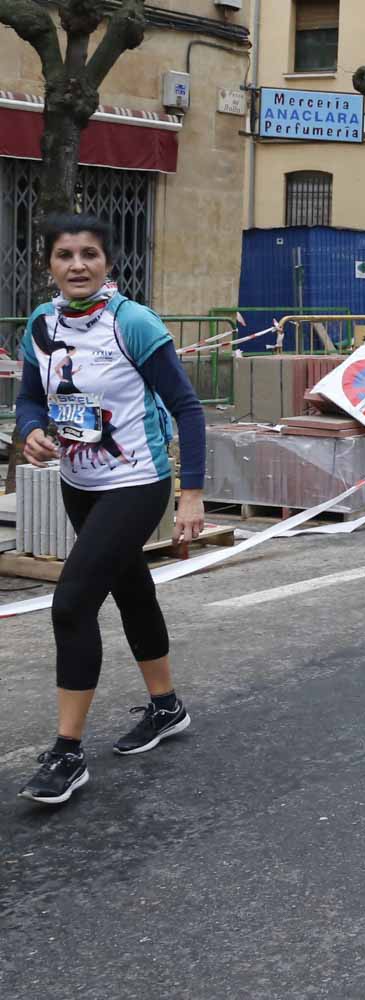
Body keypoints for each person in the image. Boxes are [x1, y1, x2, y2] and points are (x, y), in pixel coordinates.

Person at [15, 213, 207, 805]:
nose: (78, 265)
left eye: (90, 254)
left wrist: (191, 494)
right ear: (48, 264)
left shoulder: (134, 323)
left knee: (71, 604)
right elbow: (27, 398)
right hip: (80, 482)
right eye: (65, 255)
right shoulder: (41, 325)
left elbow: (187, 407)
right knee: (131, 590)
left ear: (108, 263)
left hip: (137, 481)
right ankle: (167, 706)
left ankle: (68, 753)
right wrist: (31, 431)